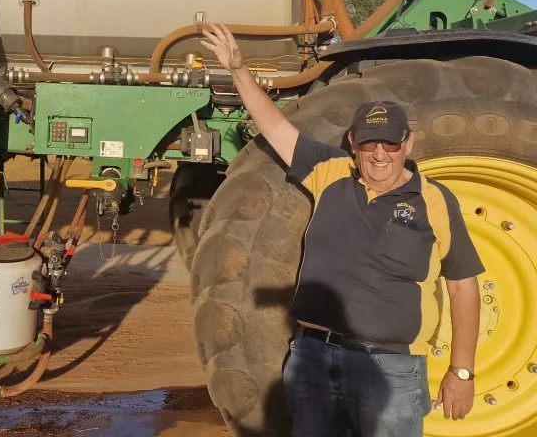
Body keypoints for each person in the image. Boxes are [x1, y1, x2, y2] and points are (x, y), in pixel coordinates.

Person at [200, 23, 484, 437]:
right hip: (314, 358)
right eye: (370, 144)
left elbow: (463, 285)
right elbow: (275, 127)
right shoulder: (331, 173)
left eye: (390, 143)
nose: (380, 154)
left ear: (408, 144)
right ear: (353, 142)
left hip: (391, 369)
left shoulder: (435, 200)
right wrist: (239, 70)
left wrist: (462, 372)